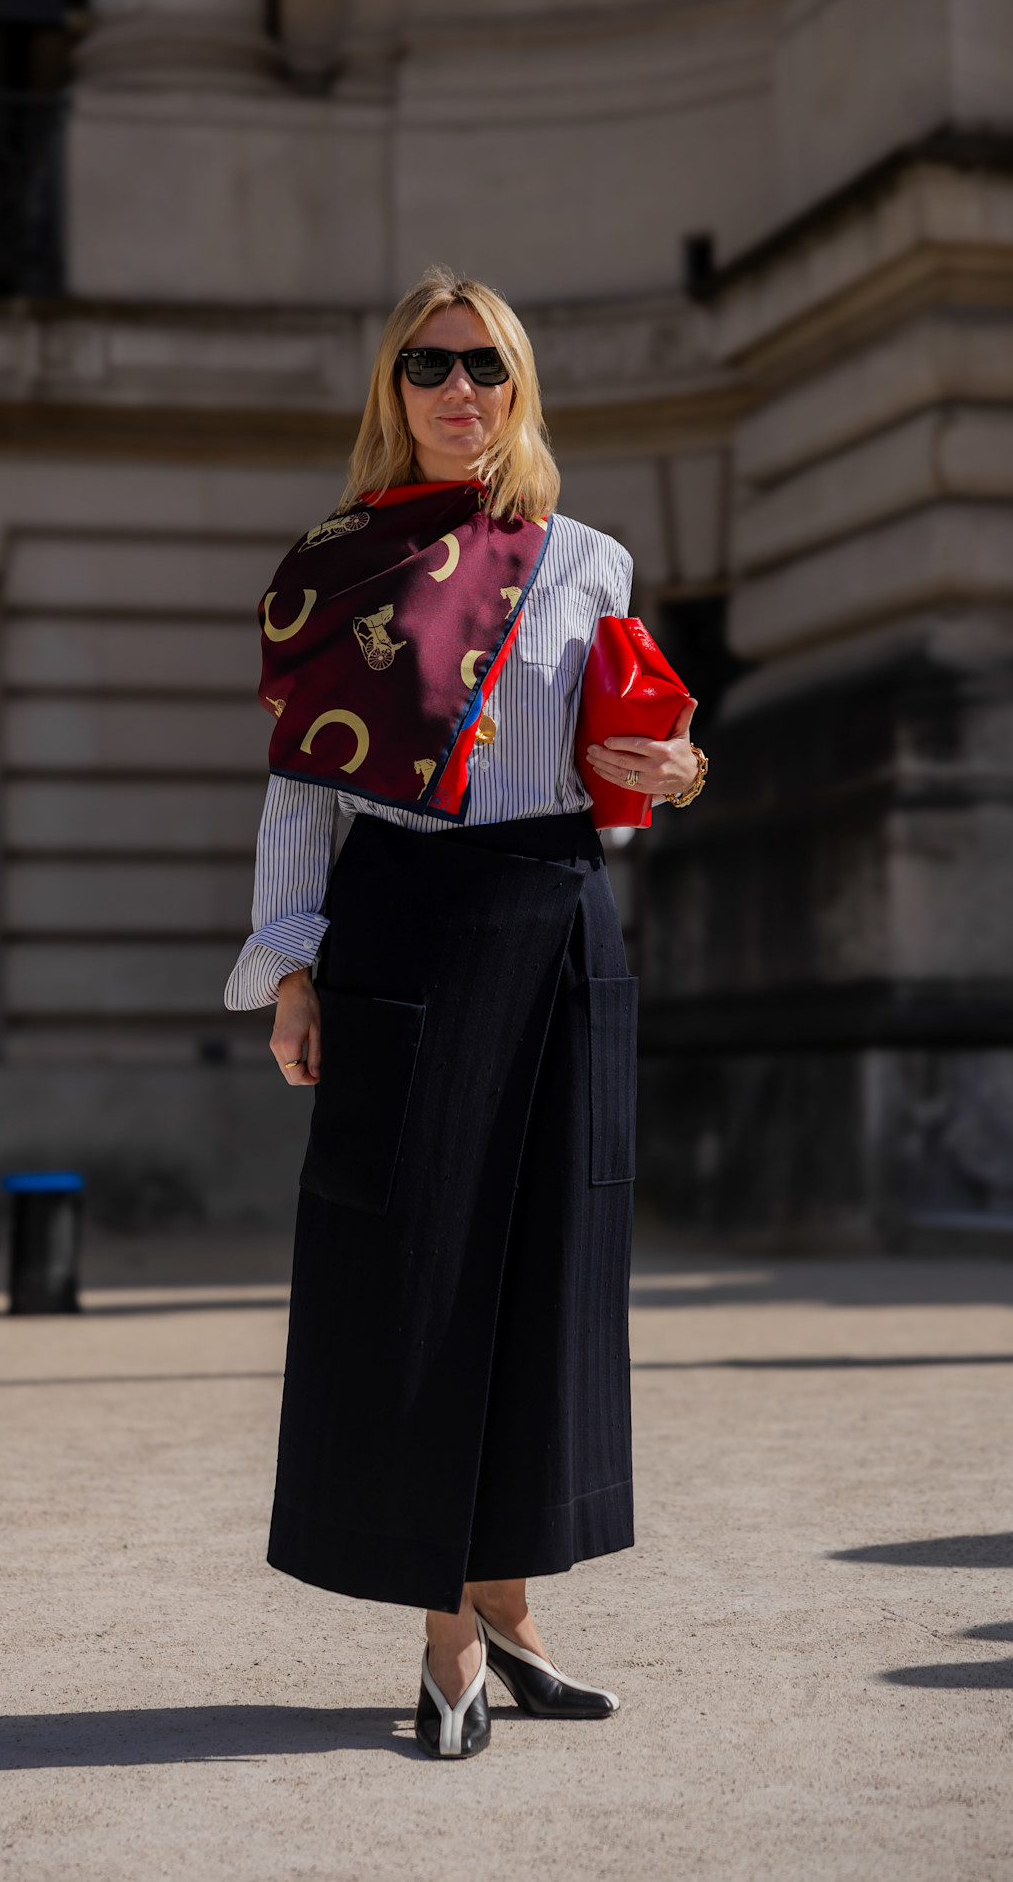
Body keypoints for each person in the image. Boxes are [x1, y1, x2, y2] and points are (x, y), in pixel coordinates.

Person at [223, 265, 706, 1760]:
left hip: (558, 916)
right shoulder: (335, 567)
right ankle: (442, 1643)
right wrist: (289, 965)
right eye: (428, 366)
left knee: (547, 1269)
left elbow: (611, 778)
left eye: (483, 366)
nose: (457, 391)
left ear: (518, 389)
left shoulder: (592, 562)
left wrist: (673, 777)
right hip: (405, 926)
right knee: (416, 1275)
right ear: (394, 390)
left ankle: (512, 1611)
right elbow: (305, 786)